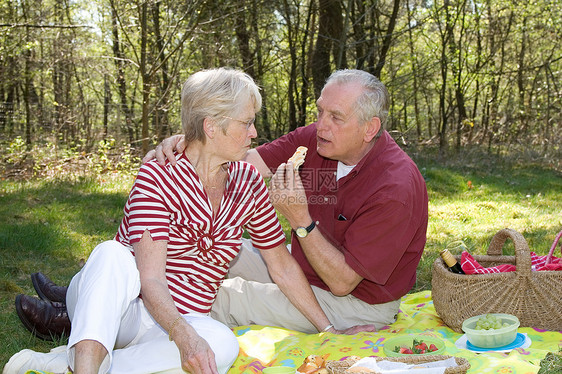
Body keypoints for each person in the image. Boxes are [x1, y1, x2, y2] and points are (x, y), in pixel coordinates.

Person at [5, 68, 370, 374]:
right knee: (112, 255)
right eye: (246, 123)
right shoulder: (158, 174)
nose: (255, 132)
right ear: (211, 127)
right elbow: (149, 280)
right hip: (126, 308)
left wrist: (329, 330)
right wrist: (182, 335)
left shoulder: (248, 183)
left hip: (182, 318)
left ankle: (64, 363)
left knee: (222, 346)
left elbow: (282, 266)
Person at [149, 69, 429, 333]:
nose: (321, 125)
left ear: (370, 129)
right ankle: (134, 283)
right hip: (303, 265)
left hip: (356, 303)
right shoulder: (317, 141)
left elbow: (342, 282)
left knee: (218, 296)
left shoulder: (395, 188)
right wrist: (195, 142)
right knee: (202, 249)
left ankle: (146, 326)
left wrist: (299, 220)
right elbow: (245, 161)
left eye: (336, 117)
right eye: (320, 111)